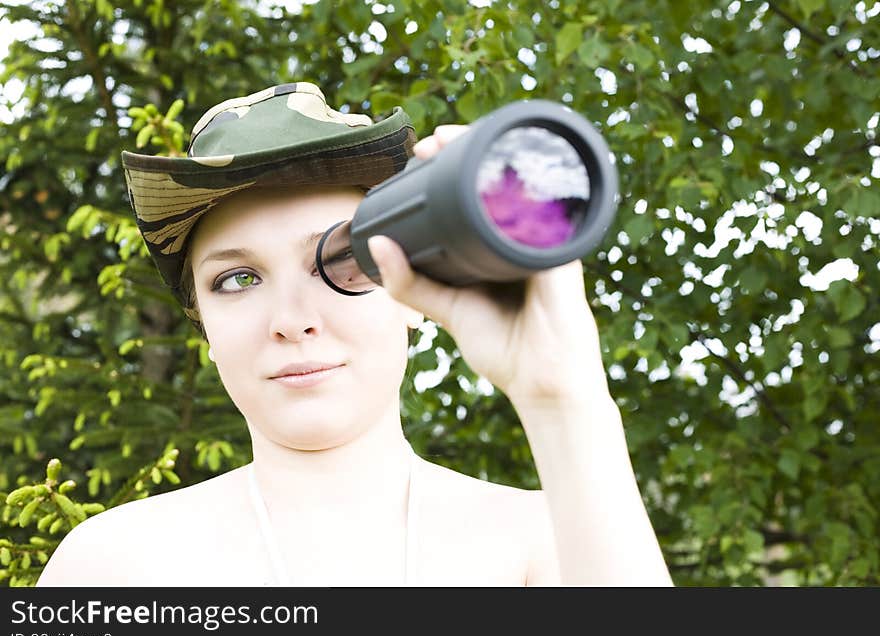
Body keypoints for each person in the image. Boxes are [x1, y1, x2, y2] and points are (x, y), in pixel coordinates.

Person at [36, 82, 672, 586]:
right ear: (203, 324)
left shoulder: (543, 546)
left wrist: (564, 398)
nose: (291, 318)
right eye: (237, 280)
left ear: (414, 293)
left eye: (339, 263)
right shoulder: (112, 567)